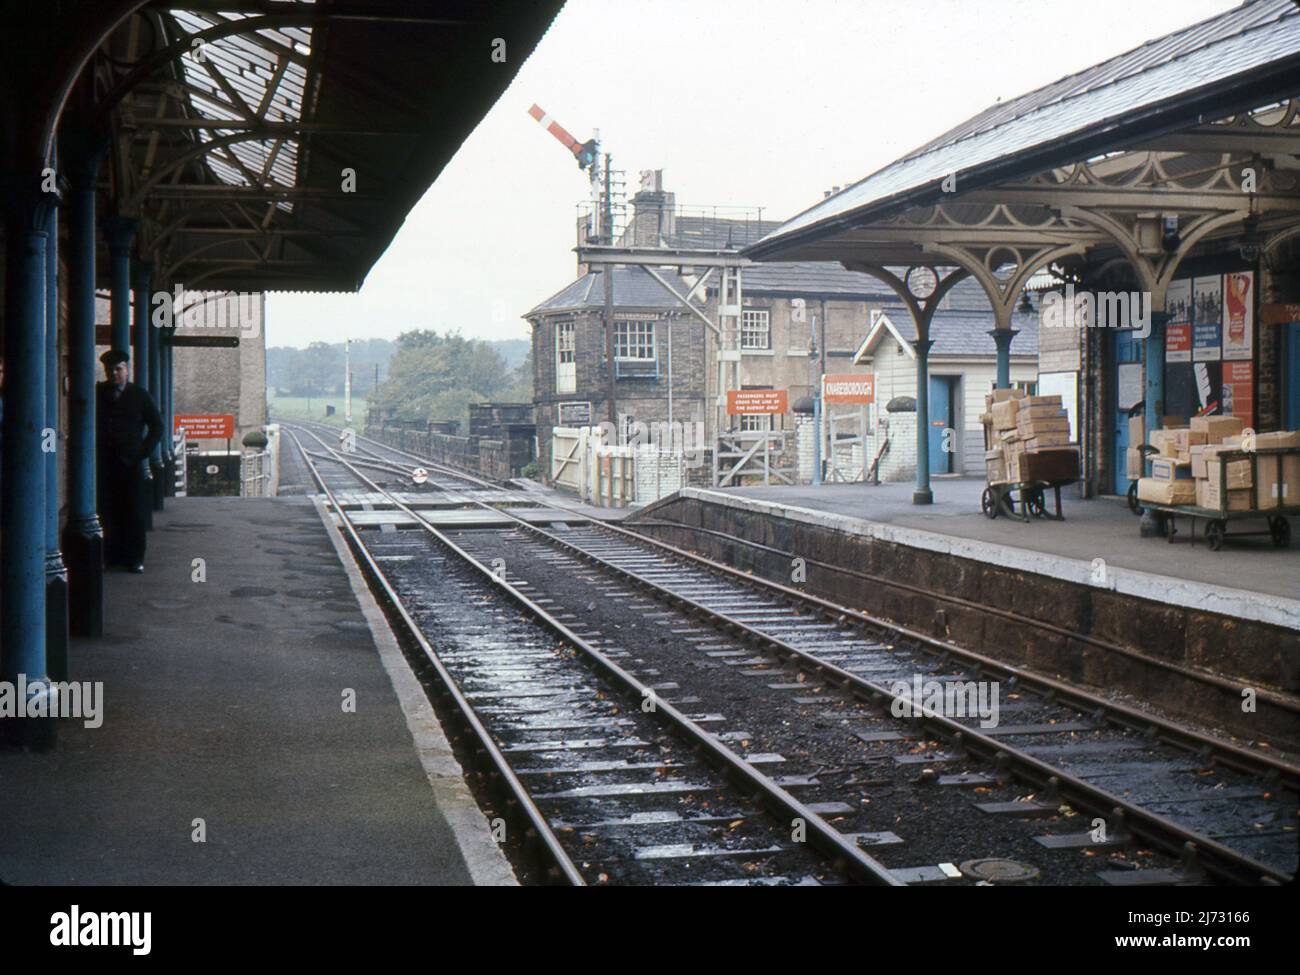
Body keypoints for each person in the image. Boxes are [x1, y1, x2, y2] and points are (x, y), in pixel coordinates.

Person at [96, 349, 162, 572]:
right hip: (104, 464)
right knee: (107, 509)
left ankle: (135, 558)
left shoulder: (139, 395)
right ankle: (111, 556)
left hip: (130, 463)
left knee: (133, 510)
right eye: (110, 369)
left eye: (118, 369)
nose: (114, 373)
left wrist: (141, 452)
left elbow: (157, 426)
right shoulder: (99, 393)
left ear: (127, 369)